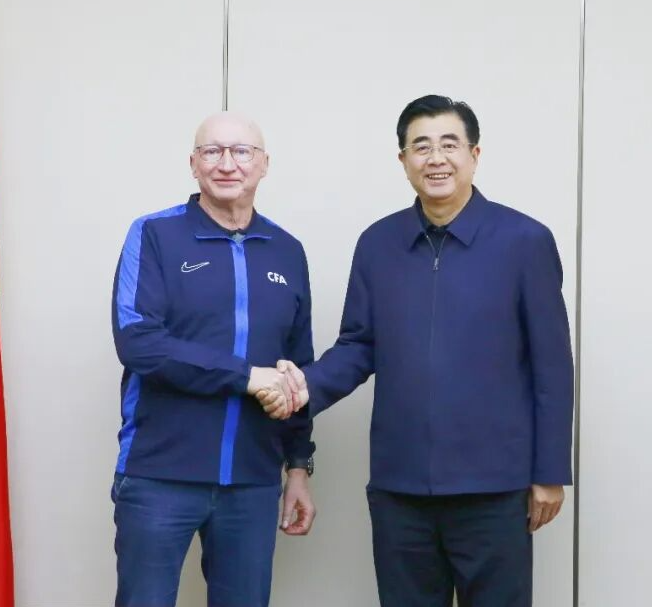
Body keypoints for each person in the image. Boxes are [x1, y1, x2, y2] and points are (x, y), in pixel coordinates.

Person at [267, 95, 574, 606]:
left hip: (494, 487)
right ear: (403, 159)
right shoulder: (377, 243)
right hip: (400, 488)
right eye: (421, 146)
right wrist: (301, 388)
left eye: (449, 145)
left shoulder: (524, 240)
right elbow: (357, 346)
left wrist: (549, 473)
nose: (436, 158)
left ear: (474, 154)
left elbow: (552, 366)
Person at [110, 112, 316, 607]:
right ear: (193, 164)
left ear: (264, 164)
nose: (227, 164)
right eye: (212, 151)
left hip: (253, 479)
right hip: (160, 474)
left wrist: (298, 467)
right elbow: (139, 343)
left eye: (242, 151)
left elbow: (297, 367)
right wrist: (247, 377)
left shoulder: (287, 251)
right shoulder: (154, 234)